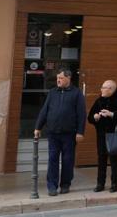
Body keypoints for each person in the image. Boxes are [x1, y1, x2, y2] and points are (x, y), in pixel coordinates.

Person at [33, 67, 86, 196]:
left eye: (61, 78)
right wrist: (38, 127)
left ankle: (65, 184)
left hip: (69, 133)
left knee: (68, 159)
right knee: (53, 159)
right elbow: (44, 111)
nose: (58, 80)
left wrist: (80, 132)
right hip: (53, 133)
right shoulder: (53, 92)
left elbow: (81, 114)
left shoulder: (76, 93)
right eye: (57, 78)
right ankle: (52, 185)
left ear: (68, 78)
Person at [87, 79, 117, 192]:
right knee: (101, 159)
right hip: (101, 135)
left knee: (114, 160)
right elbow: (90, 117)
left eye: (104, 87)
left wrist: (112, 114)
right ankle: (100, 183)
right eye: (102, 87)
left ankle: (115, 184)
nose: (101, 89)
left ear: (111, 89)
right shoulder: (99, 101)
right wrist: (95, 117)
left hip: (114, 135)